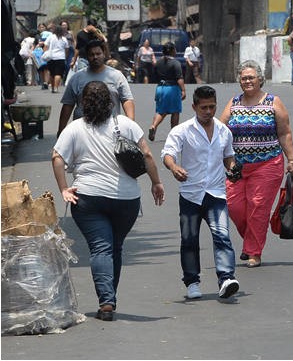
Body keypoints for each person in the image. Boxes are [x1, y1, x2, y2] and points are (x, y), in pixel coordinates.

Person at [51, 81, 165, 321]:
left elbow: (57, 157)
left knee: (101, 247)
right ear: (111, 102)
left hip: (88, 198)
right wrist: (156, 183)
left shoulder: (75, 128)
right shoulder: (125, 124)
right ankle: (109, 297)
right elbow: (146, 154)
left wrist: (63, 188)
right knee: (115, 246)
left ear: (83, 104)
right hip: (126, 199)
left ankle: (106, 301)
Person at [162, 85, 240, 300]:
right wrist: (174, 167)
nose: (208, 111)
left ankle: (226, 278)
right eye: (204, 107)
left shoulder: (224, 131)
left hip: (216, 194)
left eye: (212, 107)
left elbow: (228, 156)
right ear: (194, 106)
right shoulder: (182, 130)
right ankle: (192, 282)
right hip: (190, 195)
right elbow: (168, 153)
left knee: (222, 235)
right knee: (189, 239)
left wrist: (232, 168)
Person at [219, 61, 293, 268]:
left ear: (260, 79)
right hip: (236, 167)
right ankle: (251, 240)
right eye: (244, 78)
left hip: (267, 165)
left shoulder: (273, 102)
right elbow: (220, 131)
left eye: (251, 77)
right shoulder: (234, 103)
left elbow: (284, 133)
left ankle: (254, 251)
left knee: (258, 206)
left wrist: (292, 160)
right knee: (234, 207)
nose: (247, 81)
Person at [58, 40, 135, 137]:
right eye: (91, 54)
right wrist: (61, 130)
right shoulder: (76, 78)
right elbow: (68, 105)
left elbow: (127, 99)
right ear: (87, 56)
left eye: (98, 54)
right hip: (83, 132)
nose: (95, 57)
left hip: (111, 131)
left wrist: (131, 125)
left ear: (104, 54)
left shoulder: (117, 76)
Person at [148, 43, 186, 142]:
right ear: (173, 50)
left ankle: (153, 126)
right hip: (172, 88)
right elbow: (179, 78)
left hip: (160, 88)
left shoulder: (158, 63)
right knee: (175, 111)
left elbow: (154, 76)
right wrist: (183, 90)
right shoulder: (175, 63)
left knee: (160, 111)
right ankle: (174, 133)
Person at [42, 24, 69, 93]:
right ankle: (56, 88)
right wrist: (65, 57)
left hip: (51, 58)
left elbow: (45, 46)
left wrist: (45, 53)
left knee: (52, 73)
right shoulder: (64, 39)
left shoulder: (50, 37)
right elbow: (66, 49)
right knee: (58, 74)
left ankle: (53, 88)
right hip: (61, 58)